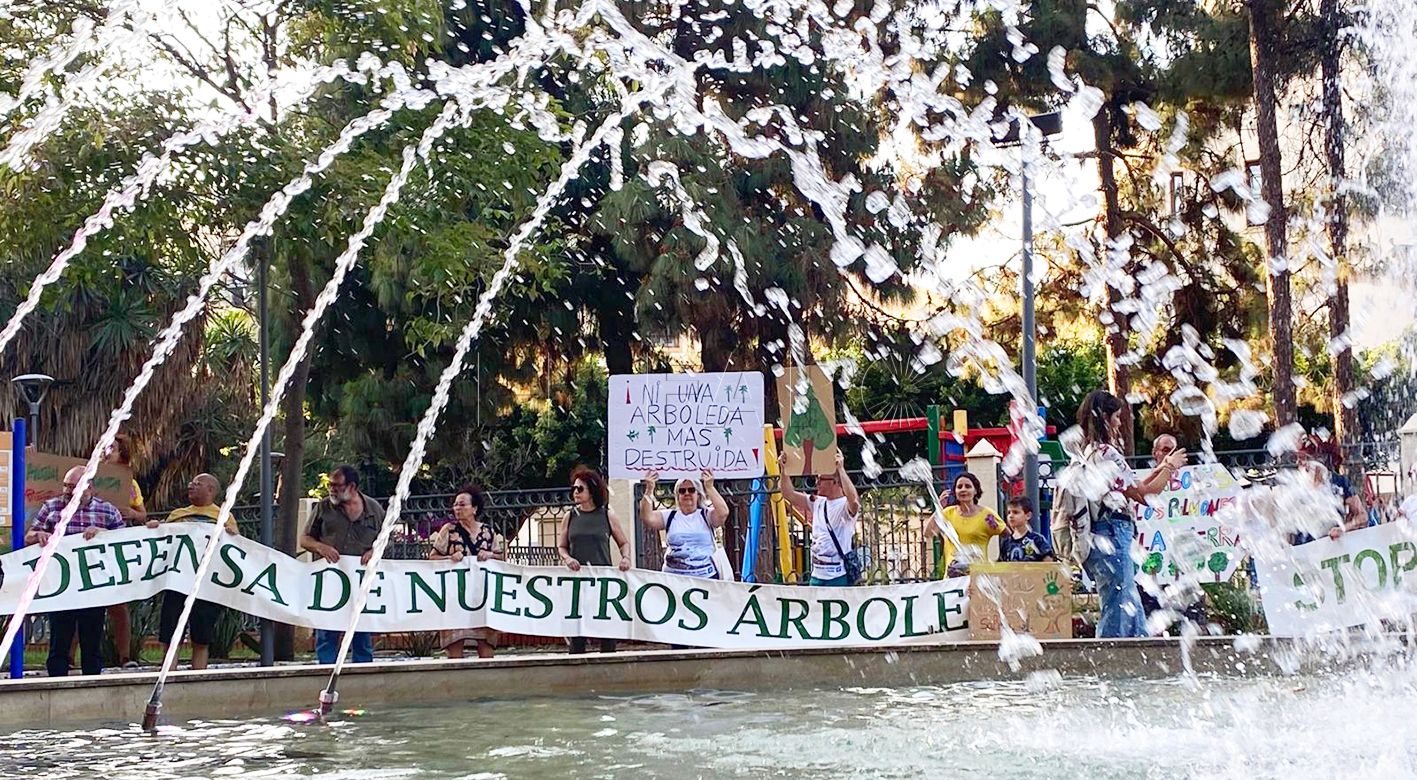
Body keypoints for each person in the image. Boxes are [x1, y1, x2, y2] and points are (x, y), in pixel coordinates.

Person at [1073, 390, 1187, 638]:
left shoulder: (1090, 452)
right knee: (1118, 602)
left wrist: (1161, 468)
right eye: (1115, 416)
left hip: (1103, 533)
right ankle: (1110, 662)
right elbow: (1144, 494)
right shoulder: (1107, 453)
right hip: (1112, 533)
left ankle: (1139, 660)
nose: (1119, 422)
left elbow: (1130, 488)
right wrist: (1169, 468)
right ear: (1104, 418)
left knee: (1130, 601)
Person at [26, 466, 125, 677]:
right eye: (66, 486)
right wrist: (40, 535)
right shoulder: (52, 507)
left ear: (89, 486)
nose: (68, 491)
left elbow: (125, 542)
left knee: (91, 638)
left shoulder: (107, 511)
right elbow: (29, 536)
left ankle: (91, 681)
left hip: (93, 585)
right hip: (61, 584)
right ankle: (56, 681)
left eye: (74, 486)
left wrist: (103, 533)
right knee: (60, 637)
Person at [300, 464, 383, 664]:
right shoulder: (323, 507)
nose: (331, 489)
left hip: (361, 582)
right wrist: (321, 547)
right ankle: (326, 671)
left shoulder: (374, 509)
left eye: (337, 485)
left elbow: (386, 541)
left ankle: (362, 674)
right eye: (330, 484)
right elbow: (304, 539)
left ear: (352, 486)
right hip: (330, 580)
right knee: (327, 633)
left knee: (361, 633)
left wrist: (374, 552)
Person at [154, 473, 236, 671]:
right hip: (177, 583)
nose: (191, 486)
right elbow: (163, 540)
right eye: (191, 483)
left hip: (207, 585)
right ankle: (167, 674)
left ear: (211, 490)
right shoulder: (177, 515)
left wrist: (233, 535)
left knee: (201, 636)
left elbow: (234, 548)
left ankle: (198, 675)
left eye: (197, 484)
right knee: (171, 633)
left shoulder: (223, 516)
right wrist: (154, 528)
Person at [557, 467, 632, 654]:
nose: (575, 493)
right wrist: (567, 558)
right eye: (574, 489)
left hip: (602, 581)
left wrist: (626, 558)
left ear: (592, 490)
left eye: (580, 489)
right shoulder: (570, 516)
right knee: (577, 630)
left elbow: (623, 542)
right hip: (578, 582)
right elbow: (562, 546)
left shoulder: (606, 514)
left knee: (606, 629)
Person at [428, 484, 505, 659]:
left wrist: (490, 555)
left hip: (482, 596)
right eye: (455, 504)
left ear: (475, 508)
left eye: (462, 504)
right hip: (456, 595)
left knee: (486, 644)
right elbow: (432, 557)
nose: (457, 508)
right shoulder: (448, 530)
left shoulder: (488, 532)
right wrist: (450, 558)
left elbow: (501, 559)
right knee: (455, 645)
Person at [97, 432, 145, 669]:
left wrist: (133, 514)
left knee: (119, 607)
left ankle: (124, 657)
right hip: (88, 548)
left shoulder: (130, 483)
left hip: (116, 549)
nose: (107, 453)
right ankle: (70, 657)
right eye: (104, 448)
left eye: (112, 449)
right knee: (80, 603)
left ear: (122, 454)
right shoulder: (87, 477)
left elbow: (142, 514)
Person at [778, 450, 862, 586]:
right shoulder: (817, 502)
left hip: (838, 576)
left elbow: (854, 501)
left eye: (821, 479)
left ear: (835, 482)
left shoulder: (844, 506)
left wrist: (840, 469)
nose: (816, 482)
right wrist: (784, 469)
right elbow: (788, 494)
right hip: (817, 575)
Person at [639, 468, 729, 578]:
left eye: (691, 490)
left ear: (698, 494)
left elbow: (723, 513)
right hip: (674, 579)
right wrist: (649, 490)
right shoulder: (670, 516)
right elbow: (647, 517)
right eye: (682, 491)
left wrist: (709, 487)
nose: (687, 493)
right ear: (677, 496)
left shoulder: (706, 515)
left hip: (706, 577)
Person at [925, 471, 1004, 577]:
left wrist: (998, 563)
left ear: (975, 490)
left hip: (978, 576)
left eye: (968, 486)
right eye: (959, 487)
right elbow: (928, 533)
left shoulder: (986, 515)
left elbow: (1007, 534)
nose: (963, 489)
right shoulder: (948, 513)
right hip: (953, 578)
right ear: (955, 492)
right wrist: (939, 509)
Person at [998, 496, 1055, 563]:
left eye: (1015, 512)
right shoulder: (1006, 543)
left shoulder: (1037, 540)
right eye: (1009, 512)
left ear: (1028, 516)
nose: (1011, 516)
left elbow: (1049, 564)